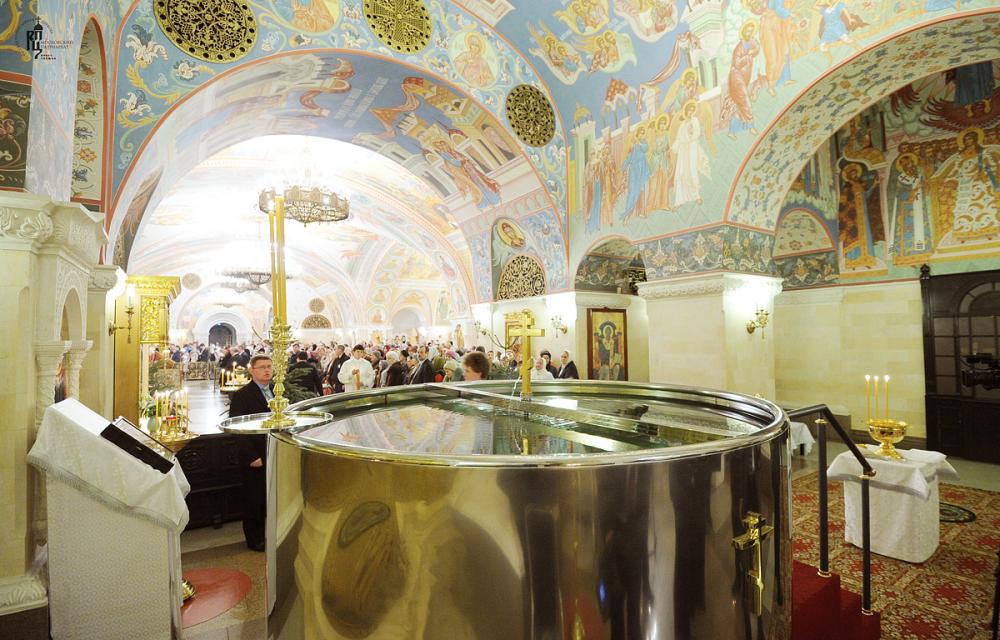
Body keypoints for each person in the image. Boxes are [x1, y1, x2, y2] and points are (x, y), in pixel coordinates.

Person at [228, 354, 273, 552]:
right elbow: (237, 428)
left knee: (270, 497)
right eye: (262, 367)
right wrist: (251, 456)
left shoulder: (276, 391)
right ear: (252, 371)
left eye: (269, 366)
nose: (267, 370)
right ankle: (255, 539)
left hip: (273, 450)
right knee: (254, 499)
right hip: (255, 454)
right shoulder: (243, 395)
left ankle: (271, 534)